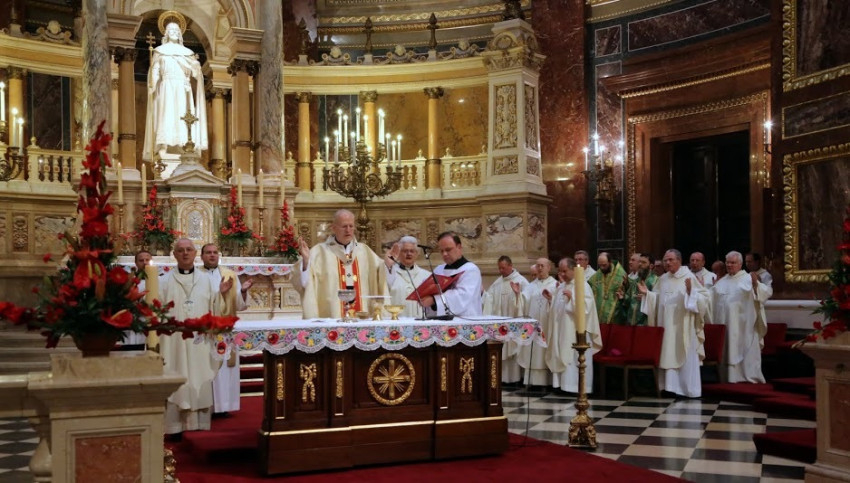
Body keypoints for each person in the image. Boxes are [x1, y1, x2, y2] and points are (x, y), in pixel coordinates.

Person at [159, 238, 226, 436]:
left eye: (189, 249)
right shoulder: (163, 281)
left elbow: (215, 309)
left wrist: (221, 297)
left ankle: (199, 423)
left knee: (199, 375)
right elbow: (156, 311)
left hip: (199, 340)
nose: (185, 253)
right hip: (174, 341)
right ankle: (174, 426)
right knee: (175, 376)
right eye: (180, 250)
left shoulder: (207, 281)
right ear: (174, 255)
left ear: (195, 254)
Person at [639, 249, 709, 398]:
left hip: (683, 326)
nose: (667, 263)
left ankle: (686, 389)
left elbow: (704, 300)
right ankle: (669, 387)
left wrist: (691, 293)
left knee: (683, 353)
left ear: (679, 261)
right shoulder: (663, 279)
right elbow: (657, 299)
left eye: (670, 260)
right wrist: (648, 295)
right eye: (665, 260)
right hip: (666, 325)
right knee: (667, 352)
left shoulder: (689, 277)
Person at [200, 243, 252, 415]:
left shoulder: (230, 275)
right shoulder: (196, 276)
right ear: (202, 256)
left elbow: (239, 305)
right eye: (208, 252)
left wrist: (243, 291)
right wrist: (219, 294)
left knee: (224, 368)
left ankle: (224, 406)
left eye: (215, 252)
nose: (212, 255)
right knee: (206, 366)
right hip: (206, 329)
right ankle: (206, 405)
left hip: (226, 329)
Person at [143, 21, 208, 161]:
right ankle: (164, 144)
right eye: (171, 29)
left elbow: (195, 73)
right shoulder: (159, 51)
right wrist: (152, 82)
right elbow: (155, 69)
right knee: (167, 114)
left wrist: (196, 68)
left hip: (182, 88)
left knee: (182, 115)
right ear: (166, 33)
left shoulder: (188, 53)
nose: (174, 32)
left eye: (176, 30)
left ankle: (182, 144)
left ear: (180, 33)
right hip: (166, 87)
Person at [711, 251, 772, 383]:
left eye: (733, 263)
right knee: (727, 349)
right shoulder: (722, 281)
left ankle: (746, 377)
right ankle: (727, 378)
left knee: (743, 349)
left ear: (740, 264)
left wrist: (756, 285)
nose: (729, 265)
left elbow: (766, 292)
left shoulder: (748, 278)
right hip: (725, 325)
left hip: (744, 326)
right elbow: (709, 300)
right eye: (728, 262)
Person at [546, 258, 601, 393]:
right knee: (562, 354)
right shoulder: (562, 287)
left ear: (573, 270)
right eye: (560, 271)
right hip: (563, 329)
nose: (561, 274)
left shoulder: (583, 285)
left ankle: (578, 388)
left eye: (564, 271)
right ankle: (563, 386)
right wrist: (551, 300)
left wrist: (572, 299)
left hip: (576, 331)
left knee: (574, 357)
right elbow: (557, 308)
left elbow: (586, 309)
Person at [483, 255, 530, 383]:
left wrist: (518, 295)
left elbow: (527, 300)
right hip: (500, 325)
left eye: (503, 268)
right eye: (499, 268)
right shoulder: (497, 282)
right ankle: (502, 378)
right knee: (502, 349)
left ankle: (516, 379)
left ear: (510, 266)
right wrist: (483, 294)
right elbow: (489, 299)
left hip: (513, 322)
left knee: (513, 348)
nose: (501, 271)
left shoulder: (521, 281)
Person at [418, 231, 483, 318]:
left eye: (448, 250)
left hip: (466, 319)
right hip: (441, 321)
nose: (444, 254)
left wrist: (434, 300)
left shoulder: (471, 270)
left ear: (459, 247)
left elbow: (462, 297)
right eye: (441, 251)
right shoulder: (438, 270)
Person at [516, 258, 557, 386]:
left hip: (546, 324)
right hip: (532, 325)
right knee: (532, 351)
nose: (539, 268)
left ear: (549, 268)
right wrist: (518, 295)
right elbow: (523, 302)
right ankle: (532, 381)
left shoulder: (554, 285)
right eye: (538, 266)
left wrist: (551, 300)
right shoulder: (531, 285)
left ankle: (546, 382)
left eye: (542, 266)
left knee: (544, 350)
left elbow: (558, 305)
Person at [384, 236, 431, 318]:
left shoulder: (426, 275)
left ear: (417, 254)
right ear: (399, 253)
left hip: (419, 321)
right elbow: (383, 290)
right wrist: (388, 265)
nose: (409, 254)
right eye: (405, 251)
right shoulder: (390, 272)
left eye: (412, 251)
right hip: (396, 321)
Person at [120, 250, 152, 349]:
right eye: (141, 260)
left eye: (147, 260)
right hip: (134, 320)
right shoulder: (129, 281)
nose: (145, 262)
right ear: (136, 263)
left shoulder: (159, 280)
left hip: (151, 320)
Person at [617, 253, 658, 326]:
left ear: (651, 266)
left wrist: (646, 298)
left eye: (643, 262)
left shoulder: (655, 281)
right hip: (631, 322)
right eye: (639, 262)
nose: (640, 264)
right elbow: (629, 299)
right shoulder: (636, 281)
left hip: (645, 323)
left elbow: (659, 301)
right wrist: (623, 297)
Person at [587, 252, 627, 324]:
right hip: (599, 316)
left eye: (604, 265)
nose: (602, 268)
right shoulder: (596, 276)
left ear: (610, 262)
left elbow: (627, 293)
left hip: (615, 316)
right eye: (600, 265)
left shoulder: (621, 275)